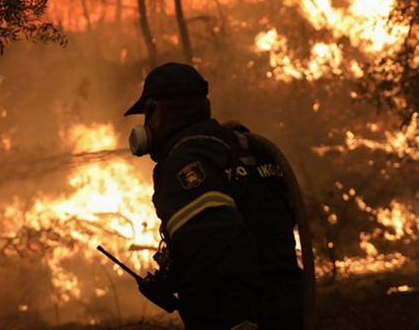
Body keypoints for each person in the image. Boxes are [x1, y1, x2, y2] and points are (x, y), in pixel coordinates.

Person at [124, 62, 303, 329]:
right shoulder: (244, 148)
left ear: (155, 111)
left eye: (146, 115)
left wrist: (237, 318)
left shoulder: (184, 164)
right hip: (287, 309)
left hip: (238, 319)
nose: (145, 125)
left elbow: (217, 243)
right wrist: (174, 278)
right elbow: (261, 233)